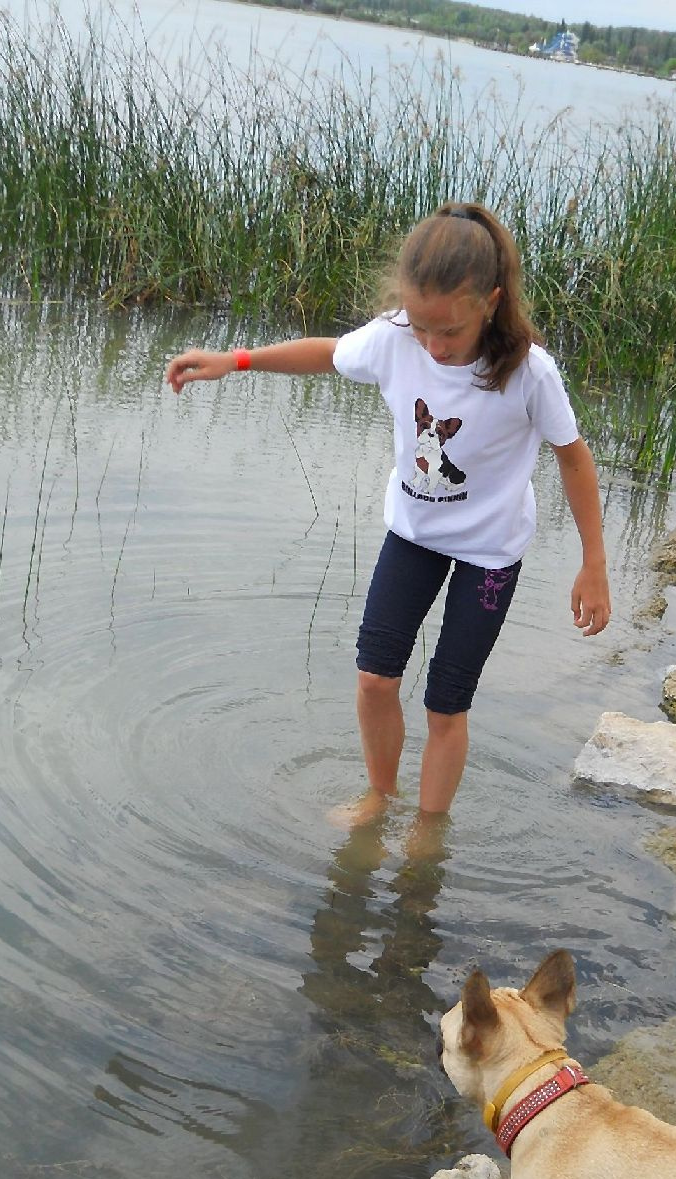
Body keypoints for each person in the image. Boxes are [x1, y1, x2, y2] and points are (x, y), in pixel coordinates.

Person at [165, 201, 610, 827]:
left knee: (445, 704)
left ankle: (429, 832)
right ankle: (379, 798)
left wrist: (593, 562)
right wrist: (235, 361)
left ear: (491, 301)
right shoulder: (397, 338)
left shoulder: (529, 373)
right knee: (375, 680)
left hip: (490, 555)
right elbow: (328, 353)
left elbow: (574, 460)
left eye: (449, 333)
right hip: (414, 534)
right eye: (421, 327)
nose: (432, 345)